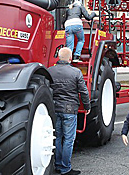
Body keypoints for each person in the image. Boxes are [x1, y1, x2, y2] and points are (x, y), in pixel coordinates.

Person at [48, 47, 91, 175]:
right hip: (70, 109)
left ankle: (58, 164)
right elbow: (83, 91)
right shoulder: (76, 72)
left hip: (55, 108)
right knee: (68, 139)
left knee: (58, 137)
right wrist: (87, 106)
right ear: (70, 58)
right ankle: (65, 168)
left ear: (59, 57)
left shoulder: (50, 71)